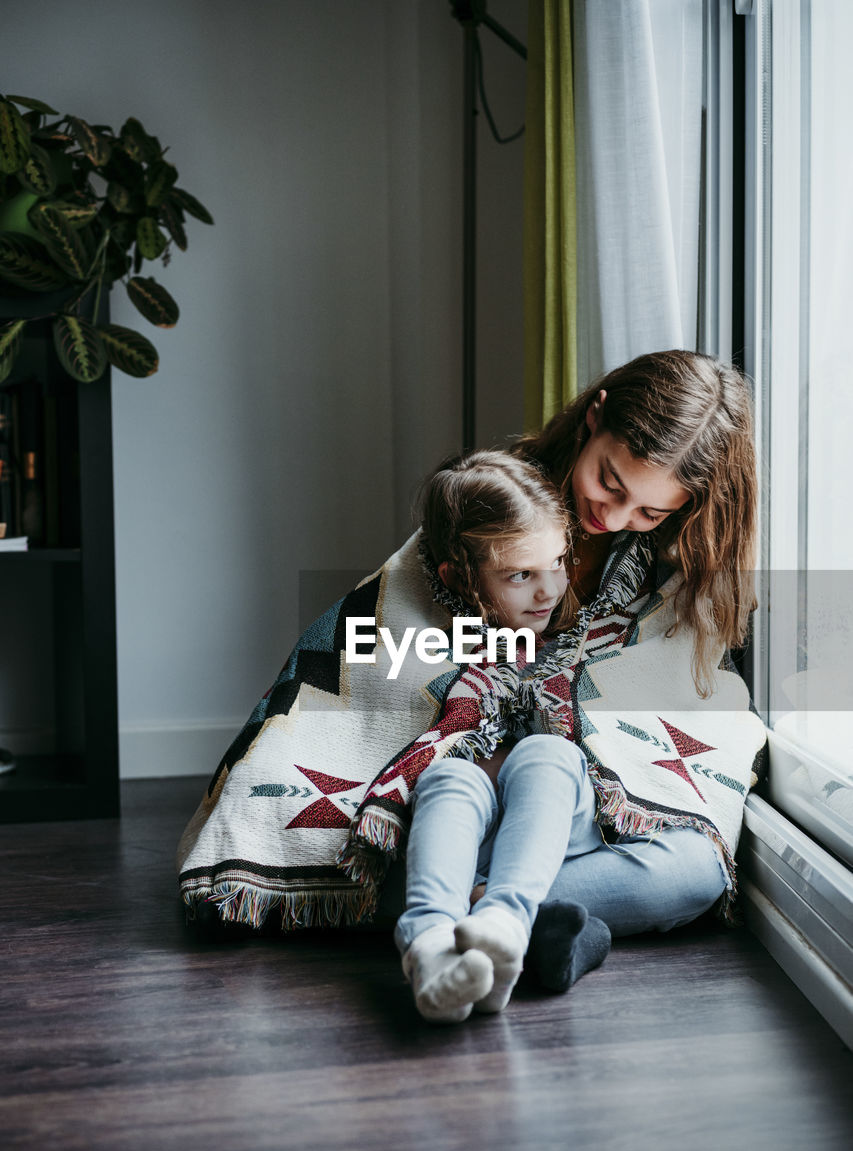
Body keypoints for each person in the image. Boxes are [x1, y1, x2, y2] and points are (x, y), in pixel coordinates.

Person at [178, 350, 766, 1030]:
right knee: (358, 835)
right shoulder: (493, 501)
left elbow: (676, 686)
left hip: (570, 817)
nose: (616, 514)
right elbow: (384, 647)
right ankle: (531, 925)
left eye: (649, 510)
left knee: (691, 869)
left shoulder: (674, 563)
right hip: (450, 803)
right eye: (608, 482)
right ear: (593, 416)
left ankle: (467, 919)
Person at [396, 451, 613, 1023]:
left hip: (563, 826)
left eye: (558, 563)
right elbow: (383, 724)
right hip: (468, 837)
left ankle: (503, 920)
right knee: (448, 775)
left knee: (547, 752)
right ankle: (435, 949)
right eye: (521, 575)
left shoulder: (580, 635)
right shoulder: (430, 642)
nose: (549, 591)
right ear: (458, 578)